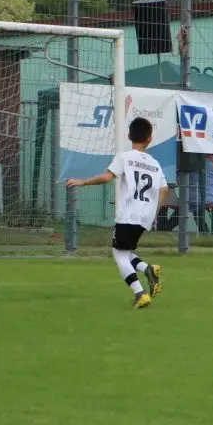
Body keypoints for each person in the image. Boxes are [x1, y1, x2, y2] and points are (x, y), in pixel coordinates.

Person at [65, 116, 169, 309]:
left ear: (129, 135)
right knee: (124, 250)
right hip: (145, 216)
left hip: (128, 214)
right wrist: (155, 212)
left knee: (119, 255)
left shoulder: (124, 157)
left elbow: (107, 177)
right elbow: (165, 190)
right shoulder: (155, 163)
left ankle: (140, 293)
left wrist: (83, 182)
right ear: (150, 139)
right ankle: (148, 269)